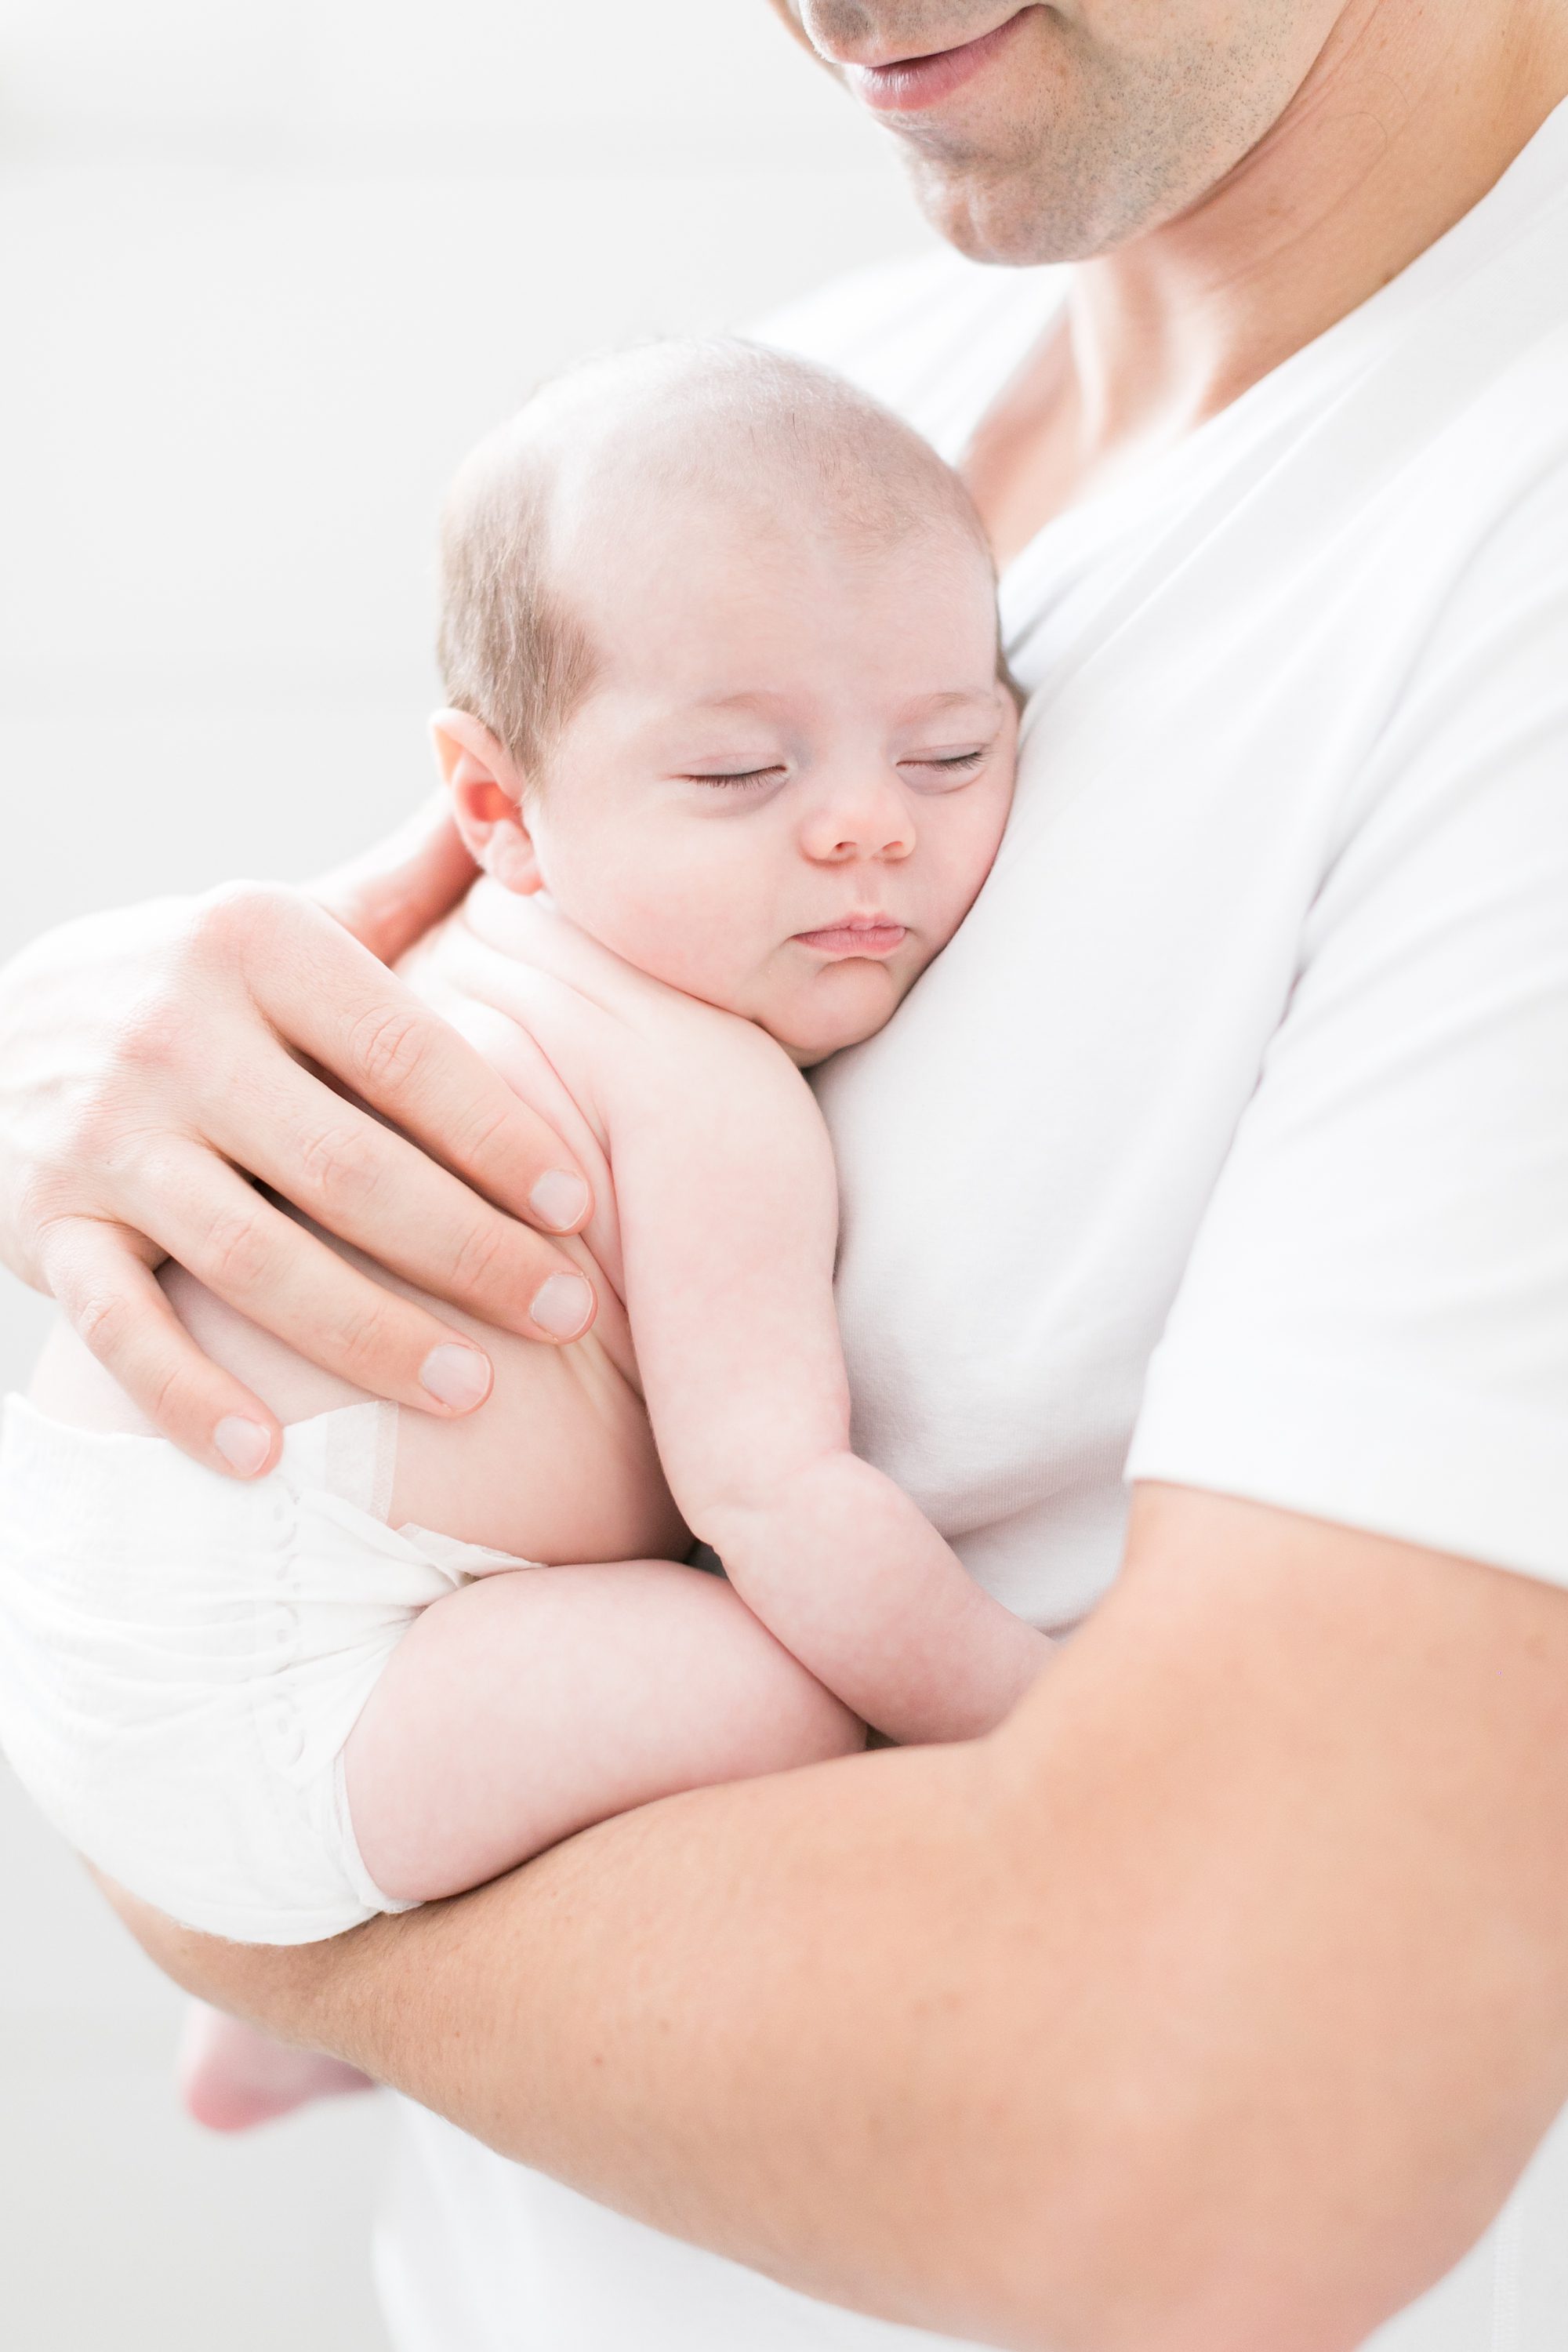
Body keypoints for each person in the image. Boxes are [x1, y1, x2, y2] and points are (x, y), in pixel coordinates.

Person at [2, 0, 1567, 2344]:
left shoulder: (1494, 551)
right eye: (747, 783)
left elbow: (1199, 2127)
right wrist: (89, 1078)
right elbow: (369, 987)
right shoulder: (819, 432)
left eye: (955, 753)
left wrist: (240, 1904)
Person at [0, 339, 1044, 2125]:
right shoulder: (700, 1087)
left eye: (951, 753)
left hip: (109, 1631)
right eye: (739, 777)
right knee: (782, 1688)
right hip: (280, 1698)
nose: (867, 825)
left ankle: (263, 2018)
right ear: (494, 809)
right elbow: (778, 1502)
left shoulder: (462, 964)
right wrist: (1048, 1727)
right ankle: (293, 1966)